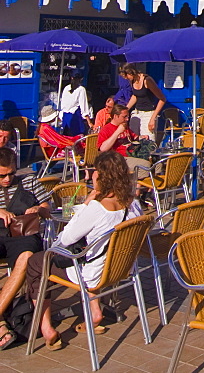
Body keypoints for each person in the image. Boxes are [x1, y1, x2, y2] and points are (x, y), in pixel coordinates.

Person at [25, 151, 142, 349]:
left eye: (96, 172)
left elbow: (64, 239)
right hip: (118, 269)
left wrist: (87, 203)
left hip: (92, 273)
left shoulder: (99, 208)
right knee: (92, 254)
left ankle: (46, 328)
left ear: (103, 176)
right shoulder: (134, 205)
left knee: (37, 263)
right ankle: (94, 311)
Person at [0, 146, 51, 350]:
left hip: (23, 237)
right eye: (2, 175)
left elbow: (49, 207)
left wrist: (39, 209)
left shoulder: (28, 181)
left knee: (27, 257)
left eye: (11, 173)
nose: (7, 179)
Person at [97, 105, 151, 175]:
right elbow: (103, 149)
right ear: (116, 116)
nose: (127, 119)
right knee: (145, 165)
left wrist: (142, 137)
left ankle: (152, 184)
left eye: (127, 117)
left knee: (157, 163)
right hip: (118, 158)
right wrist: (117, 132)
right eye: (124, 117)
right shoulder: (106, 129)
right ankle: (136, 184)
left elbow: (134, 137)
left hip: (132, 154)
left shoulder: (125, 126)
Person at [119, 65, 166, 139]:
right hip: (137, 112)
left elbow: (162, 99)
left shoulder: (147, 80)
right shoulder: (132, 81)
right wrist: (126, 109)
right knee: (134, 138)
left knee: (148, 140)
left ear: (131, 73)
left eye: (126, 76)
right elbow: (135, 95)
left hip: (148, 113)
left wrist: (153, 118)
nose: (126, 79)